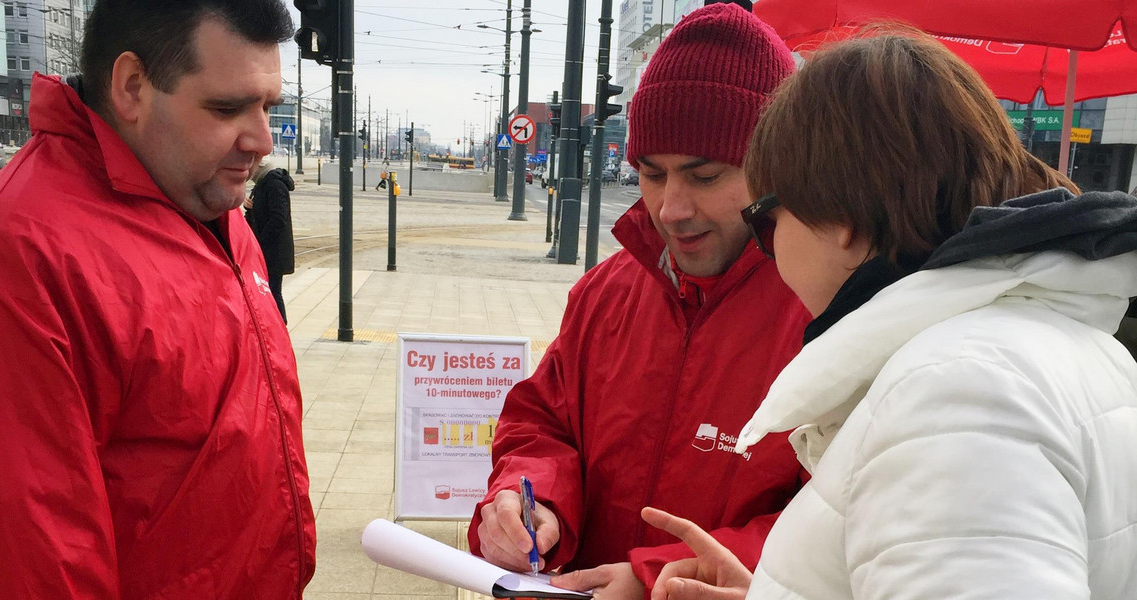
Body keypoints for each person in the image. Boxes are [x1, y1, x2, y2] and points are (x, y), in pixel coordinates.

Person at [640, 31, 1137, 600]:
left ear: (840, 215)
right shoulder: (1048, 342)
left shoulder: (957, 392)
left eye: (768, 219)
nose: (770, 246)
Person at [0, 0, 316, 597]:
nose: (262, 141)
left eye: (269, 107)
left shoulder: (208, 206)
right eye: (226, 108)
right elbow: (21, 564)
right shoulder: (15, 259)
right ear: (132, 87)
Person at [468, 5, 812, 599]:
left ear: (775, 167)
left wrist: (658, 577)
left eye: (704, 176)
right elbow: (542, 421)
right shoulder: (607, 292)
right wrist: (529, 498)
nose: (671, 209)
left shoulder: (824, 309)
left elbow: (839, 518)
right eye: (652, 174)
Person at [245, 160, 296, 322]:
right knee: (268, 290)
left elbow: (278, 219)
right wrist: (250, 209)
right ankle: (275, 327)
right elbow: (261, 216)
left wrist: (259, 241)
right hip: (266, 249)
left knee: (273, 290)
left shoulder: (274, 185)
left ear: (259, 167)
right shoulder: (262, 184)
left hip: (274, 251)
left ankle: (280, 327)